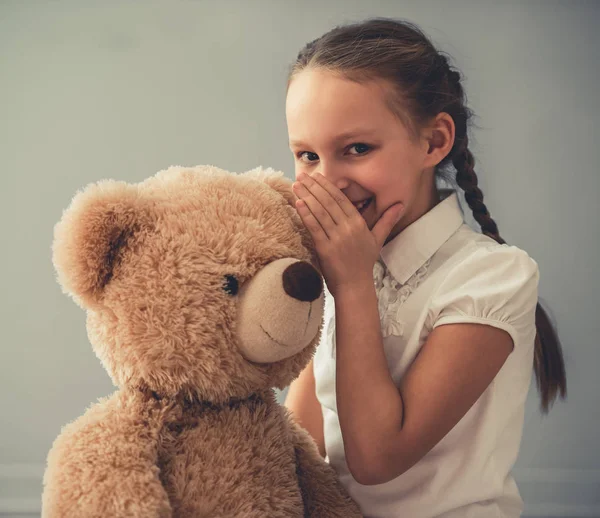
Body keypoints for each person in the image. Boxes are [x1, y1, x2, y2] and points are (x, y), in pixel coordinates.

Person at [283, 17, 567, 518]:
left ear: (434, 142)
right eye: (307, 155)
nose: (327, 181)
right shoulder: (338, 270)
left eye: (356, 149)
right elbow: (299, 447)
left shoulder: (494, 277)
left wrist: (351, 289)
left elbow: (377, 459)